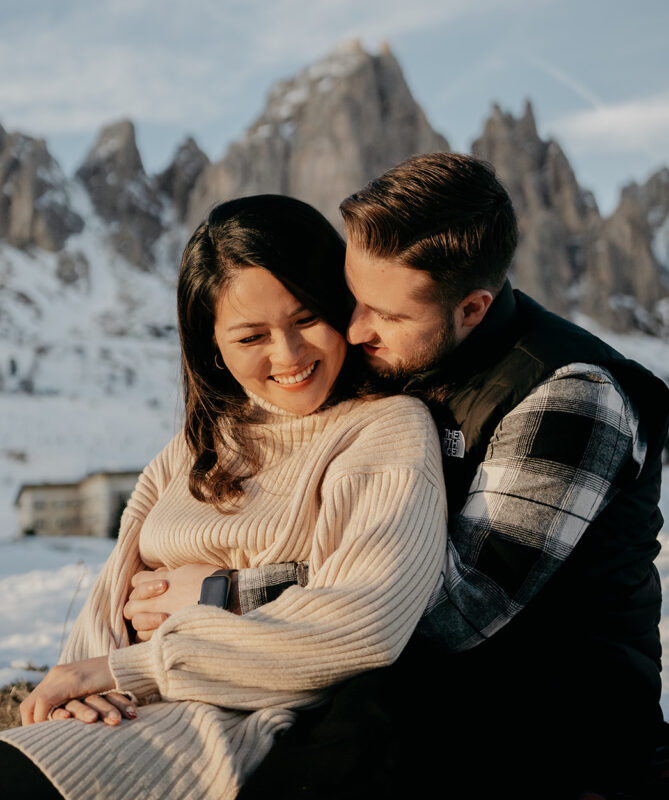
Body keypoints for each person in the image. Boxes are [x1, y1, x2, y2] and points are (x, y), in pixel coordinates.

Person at [131, 154, 665, 800]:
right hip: (426, 689)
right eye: (350, 298)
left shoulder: (572, 396)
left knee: (369, 714)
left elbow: (451, 611)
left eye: (385, 314)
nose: (356, 329)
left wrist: (224, 595)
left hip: (563, 719)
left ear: (471, 309)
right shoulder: (407, 361)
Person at [0, 194, 446, 800]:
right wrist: (80, 691)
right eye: (252, 335)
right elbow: (108, 599)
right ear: (212, 345)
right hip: (114, 717)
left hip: (222, 733)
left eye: (307, 318)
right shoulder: (196, 444)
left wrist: (135, 666)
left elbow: (362, 624)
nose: (289, 355)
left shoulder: (385, 428)